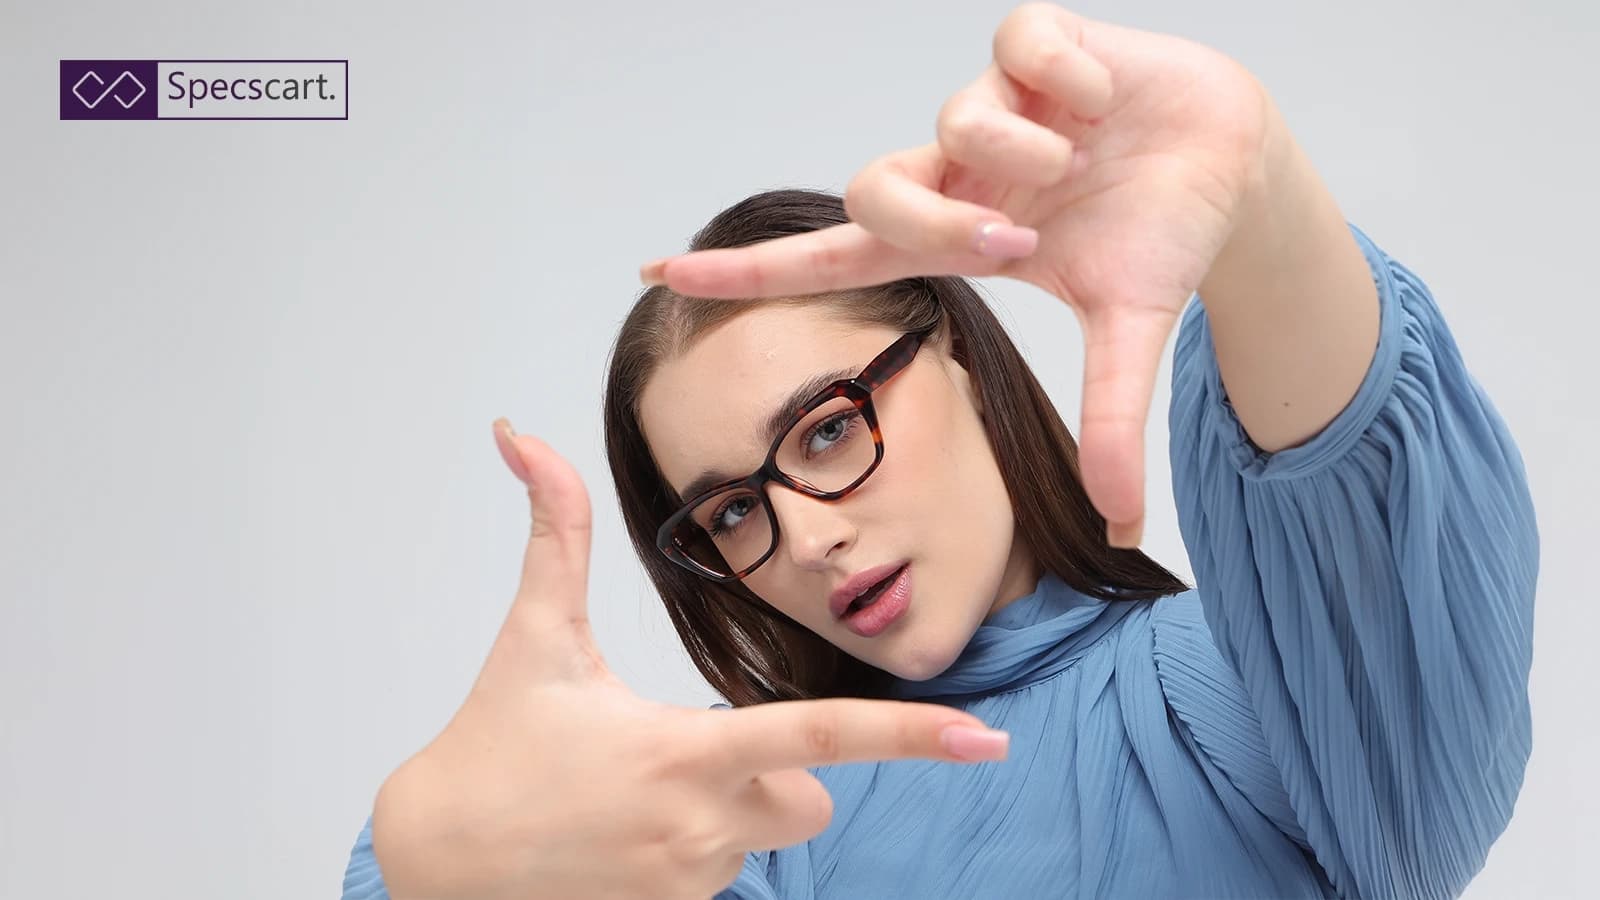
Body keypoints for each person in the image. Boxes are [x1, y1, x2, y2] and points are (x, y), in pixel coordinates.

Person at [342, 4, 1538, 898]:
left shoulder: (1243, 691)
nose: (803, 536)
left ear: (961, 363)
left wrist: (1258, 201)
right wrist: (424, 862)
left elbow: (1350, 516)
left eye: (824, 429)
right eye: (731, 514)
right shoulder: (732, 831)